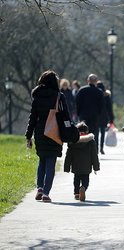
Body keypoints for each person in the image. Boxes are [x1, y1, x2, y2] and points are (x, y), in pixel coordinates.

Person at [25, 70, 69, 202]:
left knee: (42, 160)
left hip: (40, 131)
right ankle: (46, 192)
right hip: (54, 131)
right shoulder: (58, 96)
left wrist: (28, 135)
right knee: (51, 162)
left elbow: (32, 117)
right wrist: (69, 132)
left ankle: (39, 188)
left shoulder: (37, 96)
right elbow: (65, 115)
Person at [64, 121, 100, 201]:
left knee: (76, 179)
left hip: (76, 165)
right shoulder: (91, 141)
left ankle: (76, 193)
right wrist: (96, 167)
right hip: (87, 166)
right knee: (85, 180)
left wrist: (67, 167)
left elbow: (68, 155)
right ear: (87, 132)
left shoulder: (72, 141)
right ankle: (83, 188)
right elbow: (94, 155)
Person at [75, 74, 104, 152]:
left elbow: (77, 103)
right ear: (96, 82)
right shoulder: (99, 92)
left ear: (88, 81)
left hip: (83, 115)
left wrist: (79, 113)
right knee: (95, 133)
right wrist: (99, 114)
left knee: (83, 132)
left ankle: (83, 148)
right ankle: (94, 150)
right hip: (95, 116)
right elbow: (101, 106)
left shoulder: (82, 90)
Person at [96, 81, 114, 154]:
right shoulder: (106, 96)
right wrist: (111, 118)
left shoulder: (95, 95)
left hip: (96, 116)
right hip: (104, 116)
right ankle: (101, 148)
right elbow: (109, 108)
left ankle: (96, 148)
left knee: (96, 132)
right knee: (103, 132)